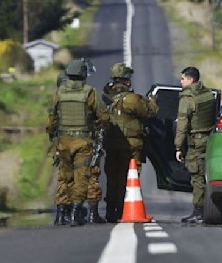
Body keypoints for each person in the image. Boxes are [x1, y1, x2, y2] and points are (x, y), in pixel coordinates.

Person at [46, 59, 108, 226]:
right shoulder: (89, 92)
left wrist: (53, 135)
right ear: (82, 74)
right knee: (82, 177)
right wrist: (96, 126)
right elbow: (103, 116)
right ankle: (75, 213)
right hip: (83, 141)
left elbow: (52, 117)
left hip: (63, 141)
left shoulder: (59, 92)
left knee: (65, 177)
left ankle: (61, 214)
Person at [103, 63, 158, 222]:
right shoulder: (132, 99)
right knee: (129, 177)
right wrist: (152, 100)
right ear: (127, 81)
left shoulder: (106, 96)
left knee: (112, 177)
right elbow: (149, 112)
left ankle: (110, 210)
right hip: (131, 145)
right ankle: (123, 209)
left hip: (112, 144)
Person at [175, 66, 216, 224]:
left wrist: (178, 147)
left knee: (197, 177)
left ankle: (198, 212)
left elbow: (182, 125)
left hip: (195, 141)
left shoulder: (187, 98)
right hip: (209, 139)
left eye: (183, 78)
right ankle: (206, 209)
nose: (181, 81)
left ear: (191, 80)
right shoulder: (207, 94)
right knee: (206, 175)